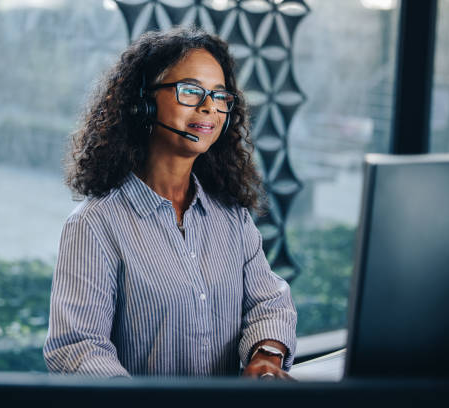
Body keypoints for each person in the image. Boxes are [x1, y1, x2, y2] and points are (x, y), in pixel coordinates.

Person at [43, 27, 297, 379]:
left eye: (220, 96)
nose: (209, 107)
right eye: (191, 91)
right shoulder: (95, 224)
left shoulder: (231, 215)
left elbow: (268, 302)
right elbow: (77, 346)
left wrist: (266, 355)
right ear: (143, 104)